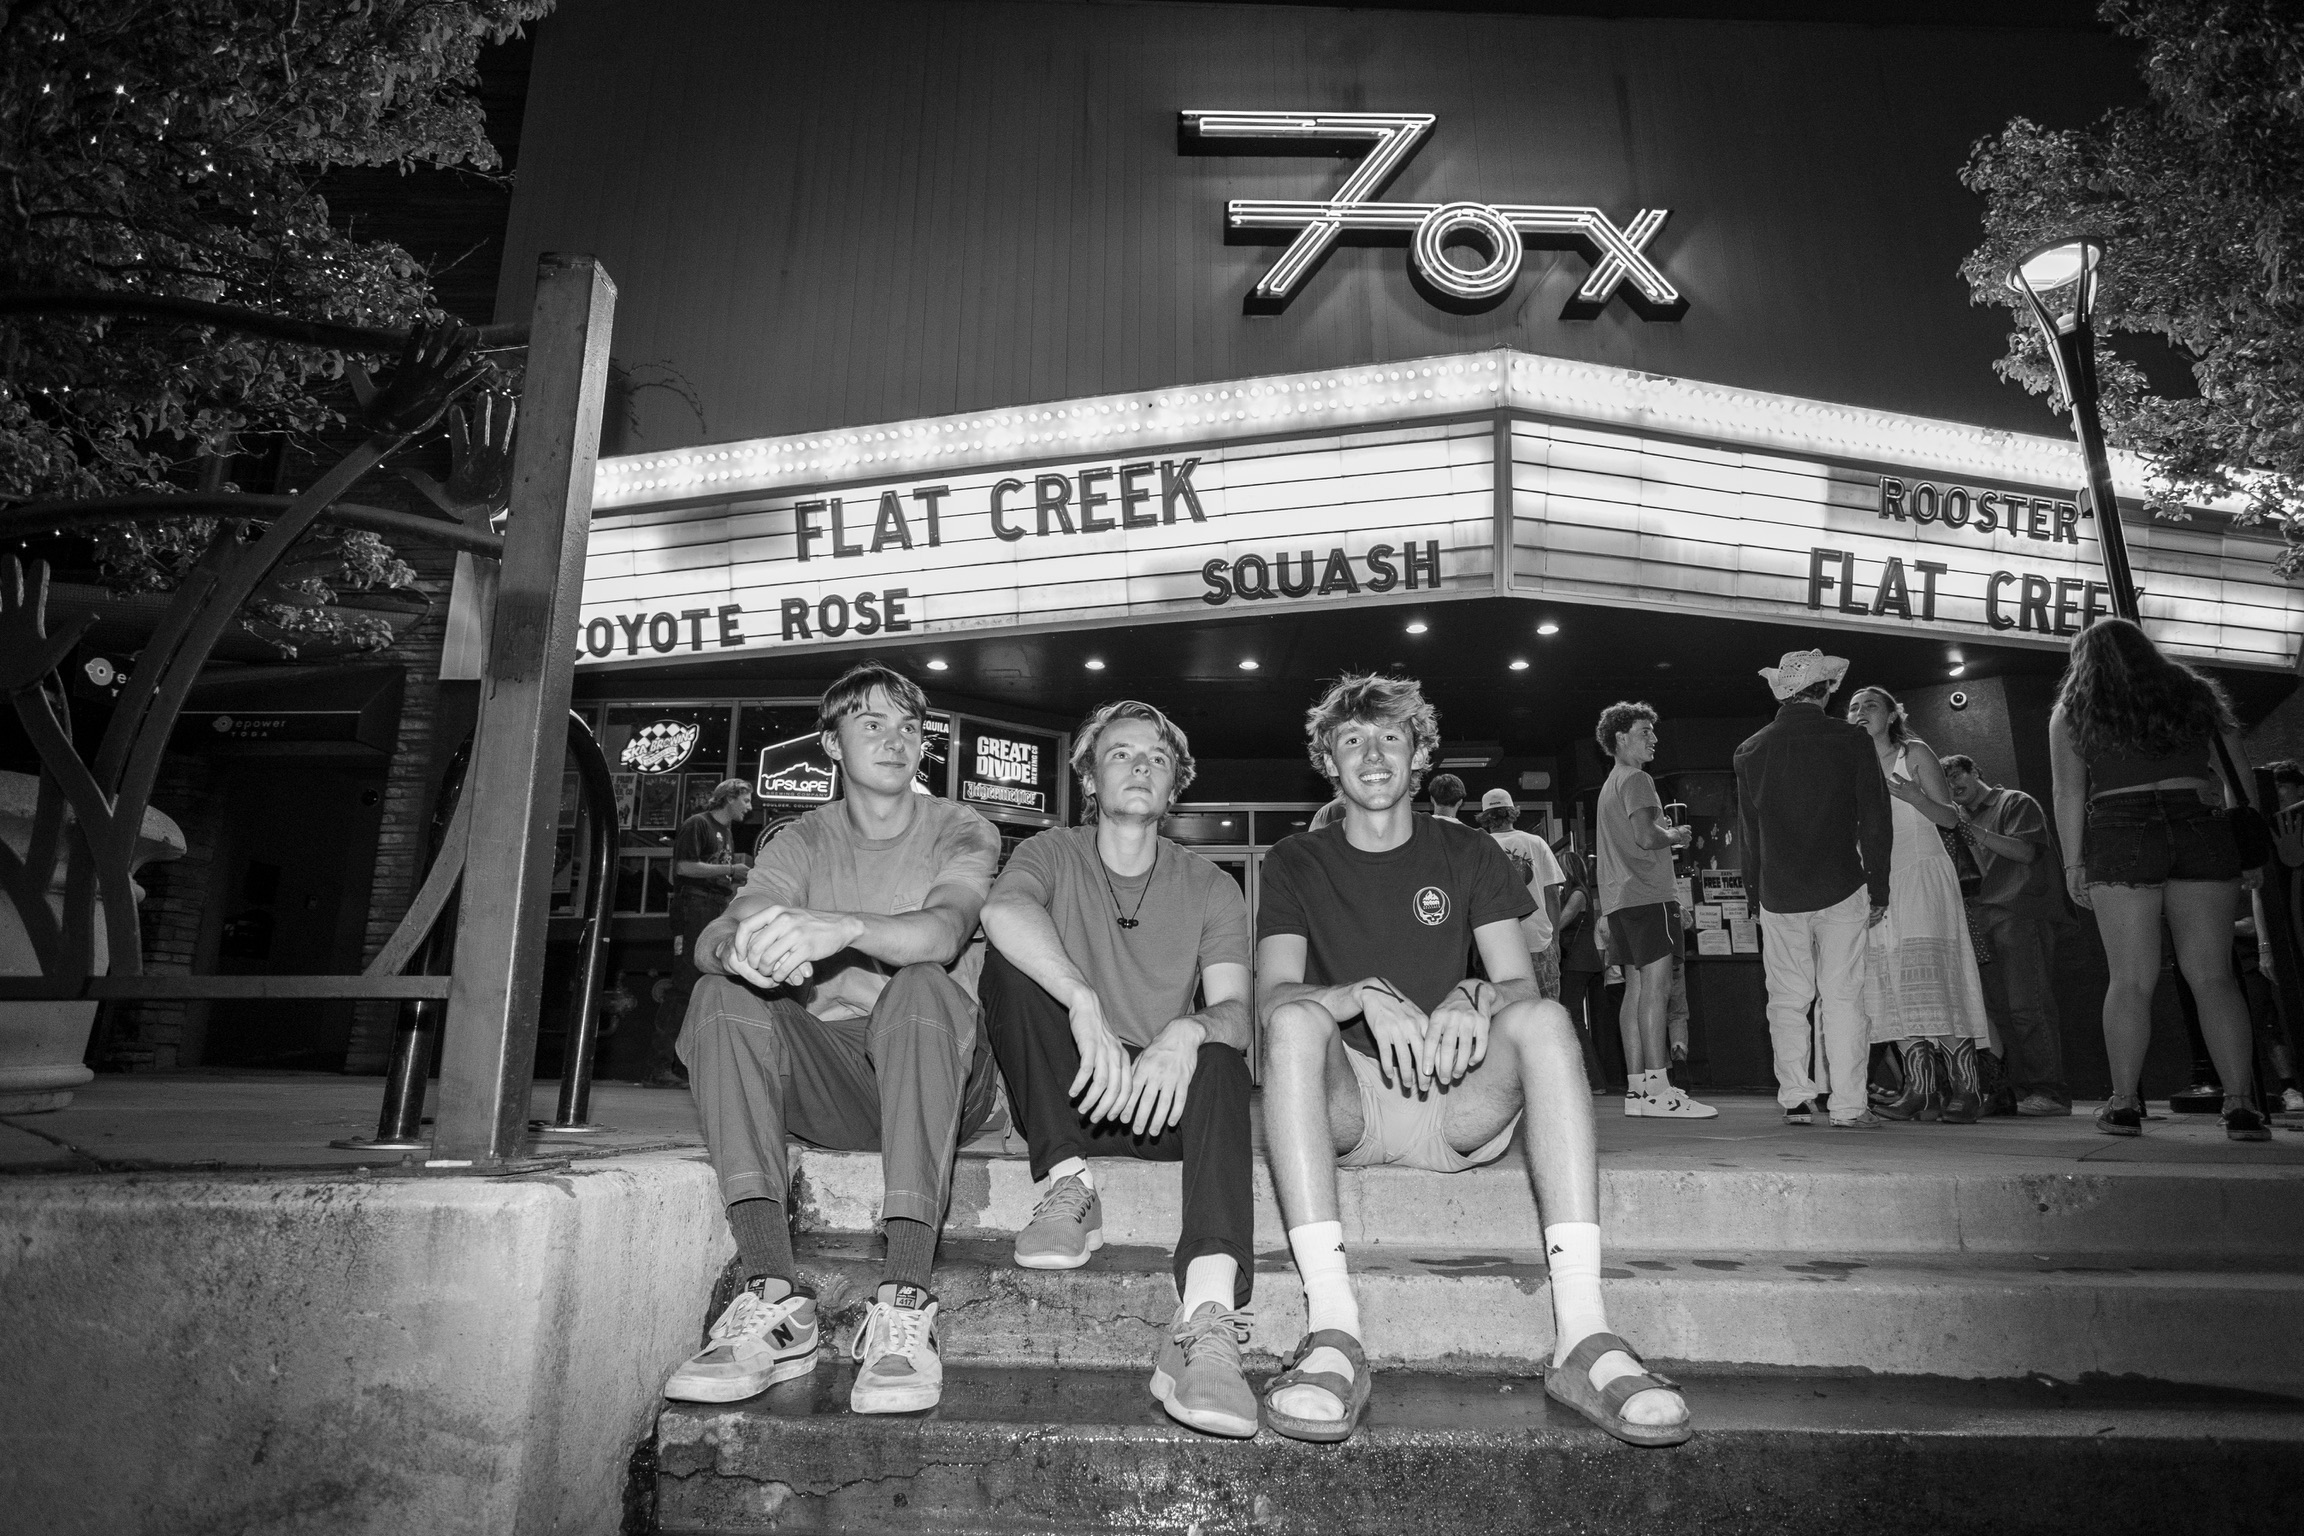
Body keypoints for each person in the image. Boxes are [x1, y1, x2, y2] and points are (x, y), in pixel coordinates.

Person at [1258, 673, 1691, 1448]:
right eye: (1352, 739)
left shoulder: (1470, 850)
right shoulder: (1296, 858)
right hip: (1349, 1102)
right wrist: (1356, 994)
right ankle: (1333, 1331)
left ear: (1420, 754)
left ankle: (1583, 1336)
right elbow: (1271, 997)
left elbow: (1518, 979)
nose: (1373, 754)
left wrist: (1472, 994)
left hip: (1456, 1097)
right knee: (1293, 1021)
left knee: (1545, 1019)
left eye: (1391, 737)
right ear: (1329, 760)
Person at [662, 663, 1004, 1412]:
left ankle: (907, 1299)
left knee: (917, 987)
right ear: (831, 744)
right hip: (839, 1087)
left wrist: (842, 935)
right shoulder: (802, 839)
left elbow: (943, 931)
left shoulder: (962, 826)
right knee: (719, 994)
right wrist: (735, 951)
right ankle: (776, 1296)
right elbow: (723, 929)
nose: (896, 740)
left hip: (942, 1077)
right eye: (872, 724)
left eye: (909, 727)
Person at [977, 700, 1258, 1438]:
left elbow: (1236, 1009)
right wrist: (1080, 1001)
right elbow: (1002, 913)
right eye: (1123, 753)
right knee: (1010, 970)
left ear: (1175, 786)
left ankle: (1206, 1316)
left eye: (1158, 758)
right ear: (1091, 777)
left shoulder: (1212, 886)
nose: (1140, 766)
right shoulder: (1049, 852)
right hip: (1071, 1091)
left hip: (1158, 1104)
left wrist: (1186, 1031)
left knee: (1224, 1061)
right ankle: (1069, 1184)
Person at [2048, 616, 2271, 1142]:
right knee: (2213, 976)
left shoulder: (2074, 709)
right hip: (2198, 821)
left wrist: (2073, 863)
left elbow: (2068, 793)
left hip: (2121, 830)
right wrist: (2245, 845)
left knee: (2129, 978)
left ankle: (2125, 1103)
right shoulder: (2194, 694)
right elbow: (2239, 774)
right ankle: (2241, 1105)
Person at [1734, 651, 1892, 1129]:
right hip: (1841, 883)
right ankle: (1849, 1106)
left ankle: (1796, 1098)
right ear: (1826, 691)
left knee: (1785, 998)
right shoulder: (1851, 740)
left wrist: (1752, 894)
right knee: (1843, 997)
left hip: (1778, 891)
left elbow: (1749, 833)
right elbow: (1876, 820)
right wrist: (1879, 885)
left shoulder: (1750, 750)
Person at [1844, 687, 1990, 1122]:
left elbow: (1950, 818)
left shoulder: (1915, 752)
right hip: (1877, 881)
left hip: (1922, 873)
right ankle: (1920, 1091)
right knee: (1892, 983)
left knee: (1932, 979)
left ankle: (1968, 1089)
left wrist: (1914, 797)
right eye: (1852, 707)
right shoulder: (1850, 766)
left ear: (1892, 714)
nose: (1859, 712)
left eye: (1870, 705)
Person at [1593, 701, 1714, 1118]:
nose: (1654, 739)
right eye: (1645, 732)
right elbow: (1647, 837)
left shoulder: (1611, 783)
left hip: (1621, 902)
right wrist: (1676, 834)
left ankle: (1639, 1092)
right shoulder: (1638, 779)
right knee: (1657, 991)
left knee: (1635, 990)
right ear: (1620, 738)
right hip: (1648, 897)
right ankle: (1659, 1092)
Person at [1941, 755, 2069, 1117]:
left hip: (2018, 911)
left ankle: (2051, 1093)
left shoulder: (2013, 802)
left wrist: (1973, 831)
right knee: (1998, 1013)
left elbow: (2026, 851)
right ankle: (2020, 1092)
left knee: (2028, 1007)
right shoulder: (1953, 818)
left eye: (1957, 776)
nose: (1953, 786)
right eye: (1945, 781)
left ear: (1975, 770)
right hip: (1978, 918)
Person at [646, 778, 755, 1088]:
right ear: (730, 798)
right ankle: (659, 1067)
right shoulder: (699, 824)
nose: (749, 808)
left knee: (700, 987)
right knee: (685, 985)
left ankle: (678, 1067)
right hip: (694, 906)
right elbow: (683, 868)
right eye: (745, 800)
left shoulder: (725, 832)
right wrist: (731, 870)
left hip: (711, 905)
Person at [1479, 788, 1566, 1002]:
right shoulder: (1536, 843)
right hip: (1540, 941)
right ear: (1511, 812)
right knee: (1548, 1011)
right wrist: (1555, 939)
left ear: (1485, 816)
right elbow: (1552, 894)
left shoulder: (1481, 847)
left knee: (1507, 1016)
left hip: (1498, 946)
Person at [1553, 833, 1619, 1090]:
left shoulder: (1578, 894)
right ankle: (1591, 1078)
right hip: (1581, 961)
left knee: (1572, 1017)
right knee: (1572, 1017)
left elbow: (1560, 923)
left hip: (1578, 961)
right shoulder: (1578, 893)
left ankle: (1593, 1079)